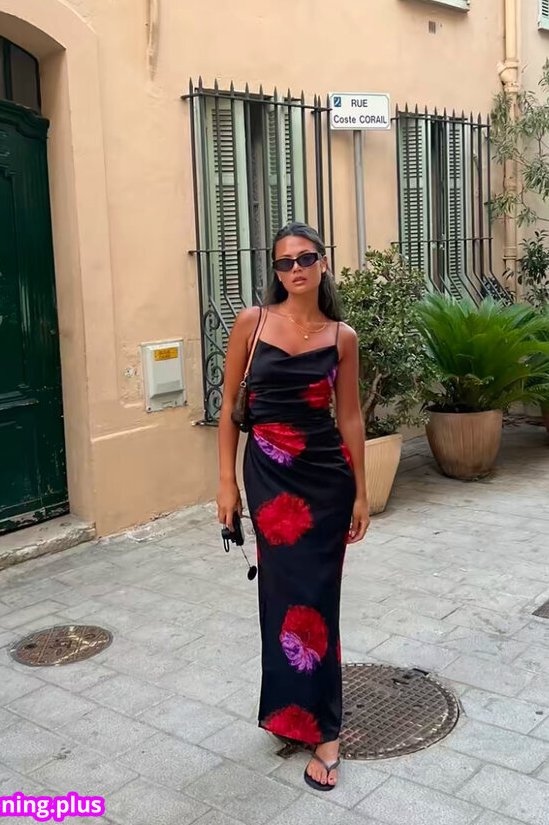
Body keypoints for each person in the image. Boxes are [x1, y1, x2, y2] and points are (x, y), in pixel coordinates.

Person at [217, 222, 370, 792]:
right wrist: (226, 485)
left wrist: (360, 491)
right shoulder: (252, 323)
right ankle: (288, 713)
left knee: (320, 600)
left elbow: (349, 416)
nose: (296, 269)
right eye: (284, 262)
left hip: (326, 481)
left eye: (306, 258)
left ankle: (326, 733)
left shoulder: (342, 337)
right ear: (276, 271)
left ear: (323, 263)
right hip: (269, 480)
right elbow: (229, 407)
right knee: (282, 597)